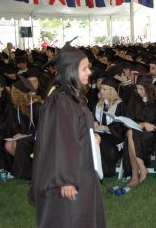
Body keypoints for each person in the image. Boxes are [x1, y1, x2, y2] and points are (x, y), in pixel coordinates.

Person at [29, 44, 106, 227]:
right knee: (70, 219)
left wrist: (91, 139)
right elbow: (59, 142)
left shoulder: (72, 99)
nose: (89, 72)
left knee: (83, 217)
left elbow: (74, 133)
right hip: (69, 177)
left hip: (81, 170)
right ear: (71, 71)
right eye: (84, 68)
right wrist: (66, 180)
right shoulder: (59, 102)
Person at [125, 73, 156, 187]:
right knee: (130, 133)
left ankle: (135, 176)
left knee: (130, 136)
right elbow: (129, 119)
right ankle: (142, 168)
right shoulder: (134, 99)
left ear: (148, 88)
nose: (138, 91)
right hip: (136, 131)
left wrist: (146, 126)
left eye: (141, 89)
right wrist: (143, 124)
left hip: (153, 134)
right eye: (137, 88)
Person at [93, 75, 127, 178]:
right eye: (101, 88)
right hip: (100, 134)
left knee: (102, 142)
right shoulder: (98, 104)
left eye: (104, 89)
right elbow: (95, 120)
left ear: (112, 90)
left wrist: (104, 128)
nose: (101, 91)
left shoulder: (120, 105)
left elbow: (121, 126)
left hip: (114, 137)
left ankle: (105, 172)